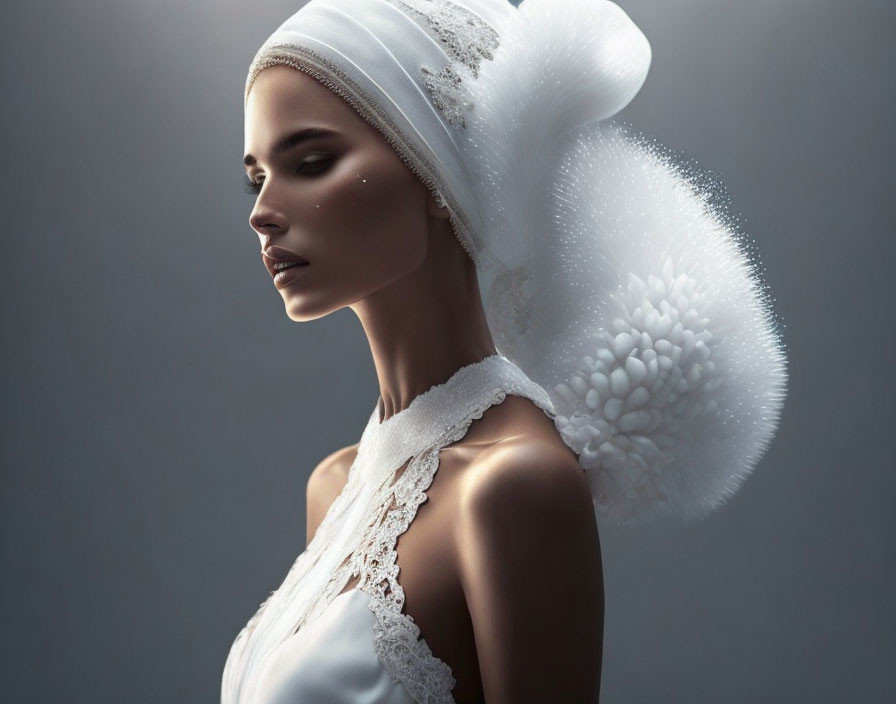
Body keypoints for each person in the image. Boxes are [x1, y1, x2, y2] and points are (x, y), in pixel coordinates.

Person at [223, 1, 787, 703]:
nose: (263, 210)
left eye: (311, 162)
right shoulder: (337, 486)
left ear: (434, 166)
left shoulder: (515, 485)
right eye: (257, 176)